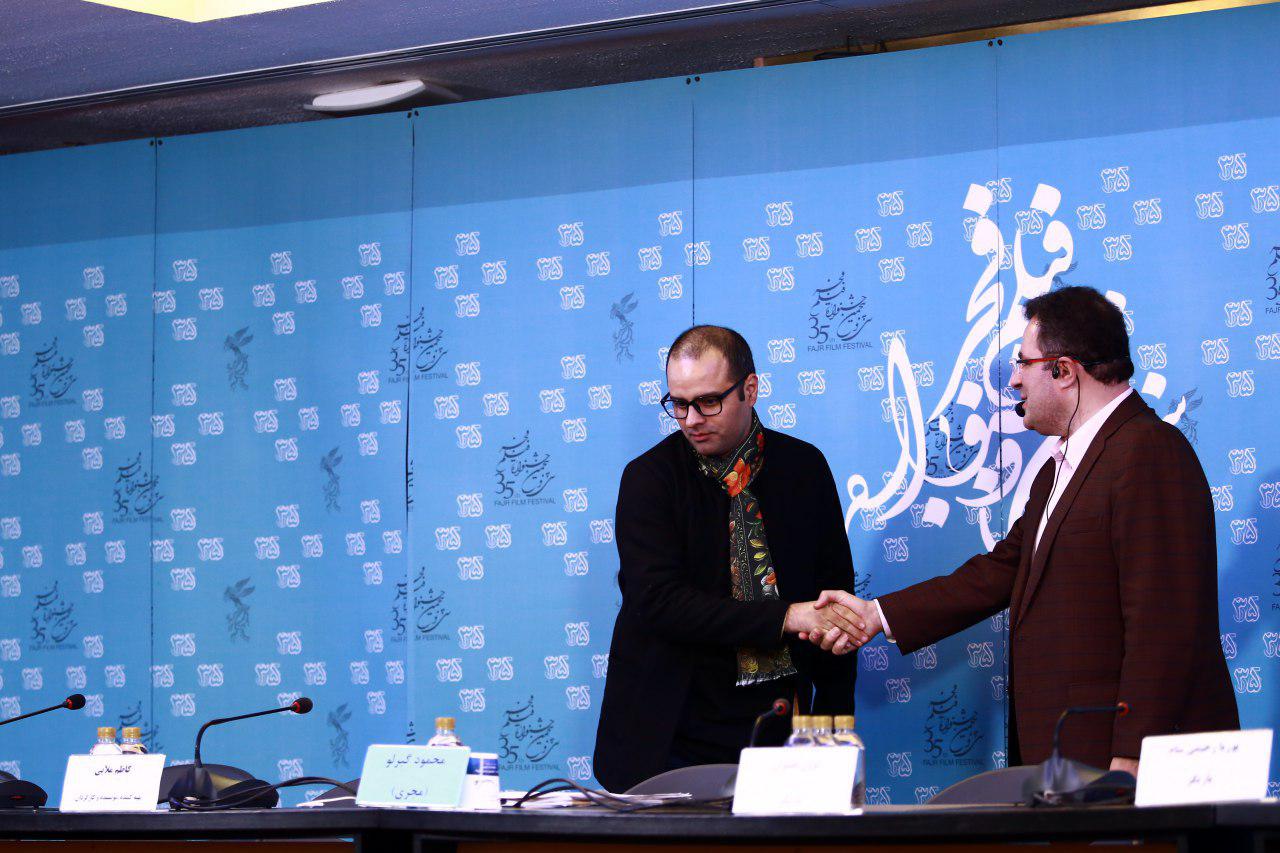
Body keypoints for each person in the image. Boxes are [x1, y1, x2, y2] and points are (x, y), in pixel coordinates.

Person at [805, 286, 1238, 773]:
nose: (1012, 380)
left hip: (1128, 764)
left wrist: (1133, 756)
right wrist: (876, 615)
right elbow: (1001, 572)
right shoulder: (1058, 469)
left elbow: (1163, 623)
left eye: (1023, 363)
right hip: (1069, 757)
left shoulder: (1149, 451)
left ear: (1064, 371)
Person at [594, 325, 865, 793]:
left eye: (708, 402)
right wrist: (786, 616)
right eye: (678, 403)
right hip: (668, 730)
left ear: (750, 389)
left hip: (779, 729)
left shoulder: (805, 468)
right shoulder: (648, 478)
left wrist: (832, 732)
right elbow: (658, 602)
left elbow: (834, 603)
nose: (691, 419)